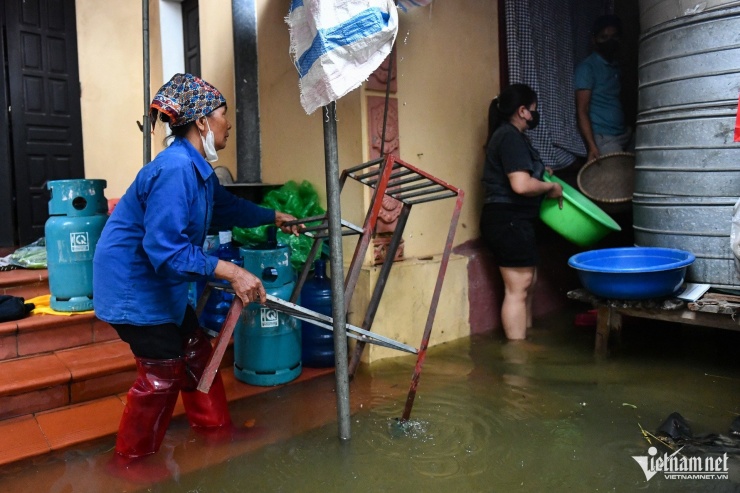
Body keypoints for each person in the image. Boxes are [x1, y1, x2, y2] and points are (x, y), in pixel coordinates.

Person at [93, 73, 301, 461]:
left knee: (195, 354)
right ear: (202, 121)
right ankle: (131, 462)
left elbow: (227, 208)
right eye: (224, 114)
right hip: (134, 288)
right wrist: (233, 271)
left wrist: (275, 216)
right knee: (161, 374)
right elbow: (164, 249)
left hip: (160, 284)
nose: (229, 123)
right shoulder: (175, 170)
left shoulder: (196, 170)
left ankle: (216, 432)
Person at [480, 84, 563, 341]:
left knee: (526, 284)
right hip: (508, 220)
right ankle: (517, 358)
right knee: (518, 288)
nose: (535, 115)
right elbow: (521, 184)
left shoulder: (513, 137)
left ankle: (525, 341)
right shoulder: (509, 137)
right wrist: (551, 186)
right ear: (523, 111)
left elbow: (523, 176)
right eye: (534, 110)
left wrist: (541, 172)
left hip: (514, 220)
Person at [575, 14, 633, 163]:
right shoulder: (587, 68)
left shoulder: (616, 66)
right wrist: (592, 146)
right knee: (617, 179)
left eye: (614, 36)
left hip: (624, 132)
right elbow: (582, 110)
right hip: (603, 137)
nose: (610, 42)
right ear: (594, 40)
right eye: (604, 37)